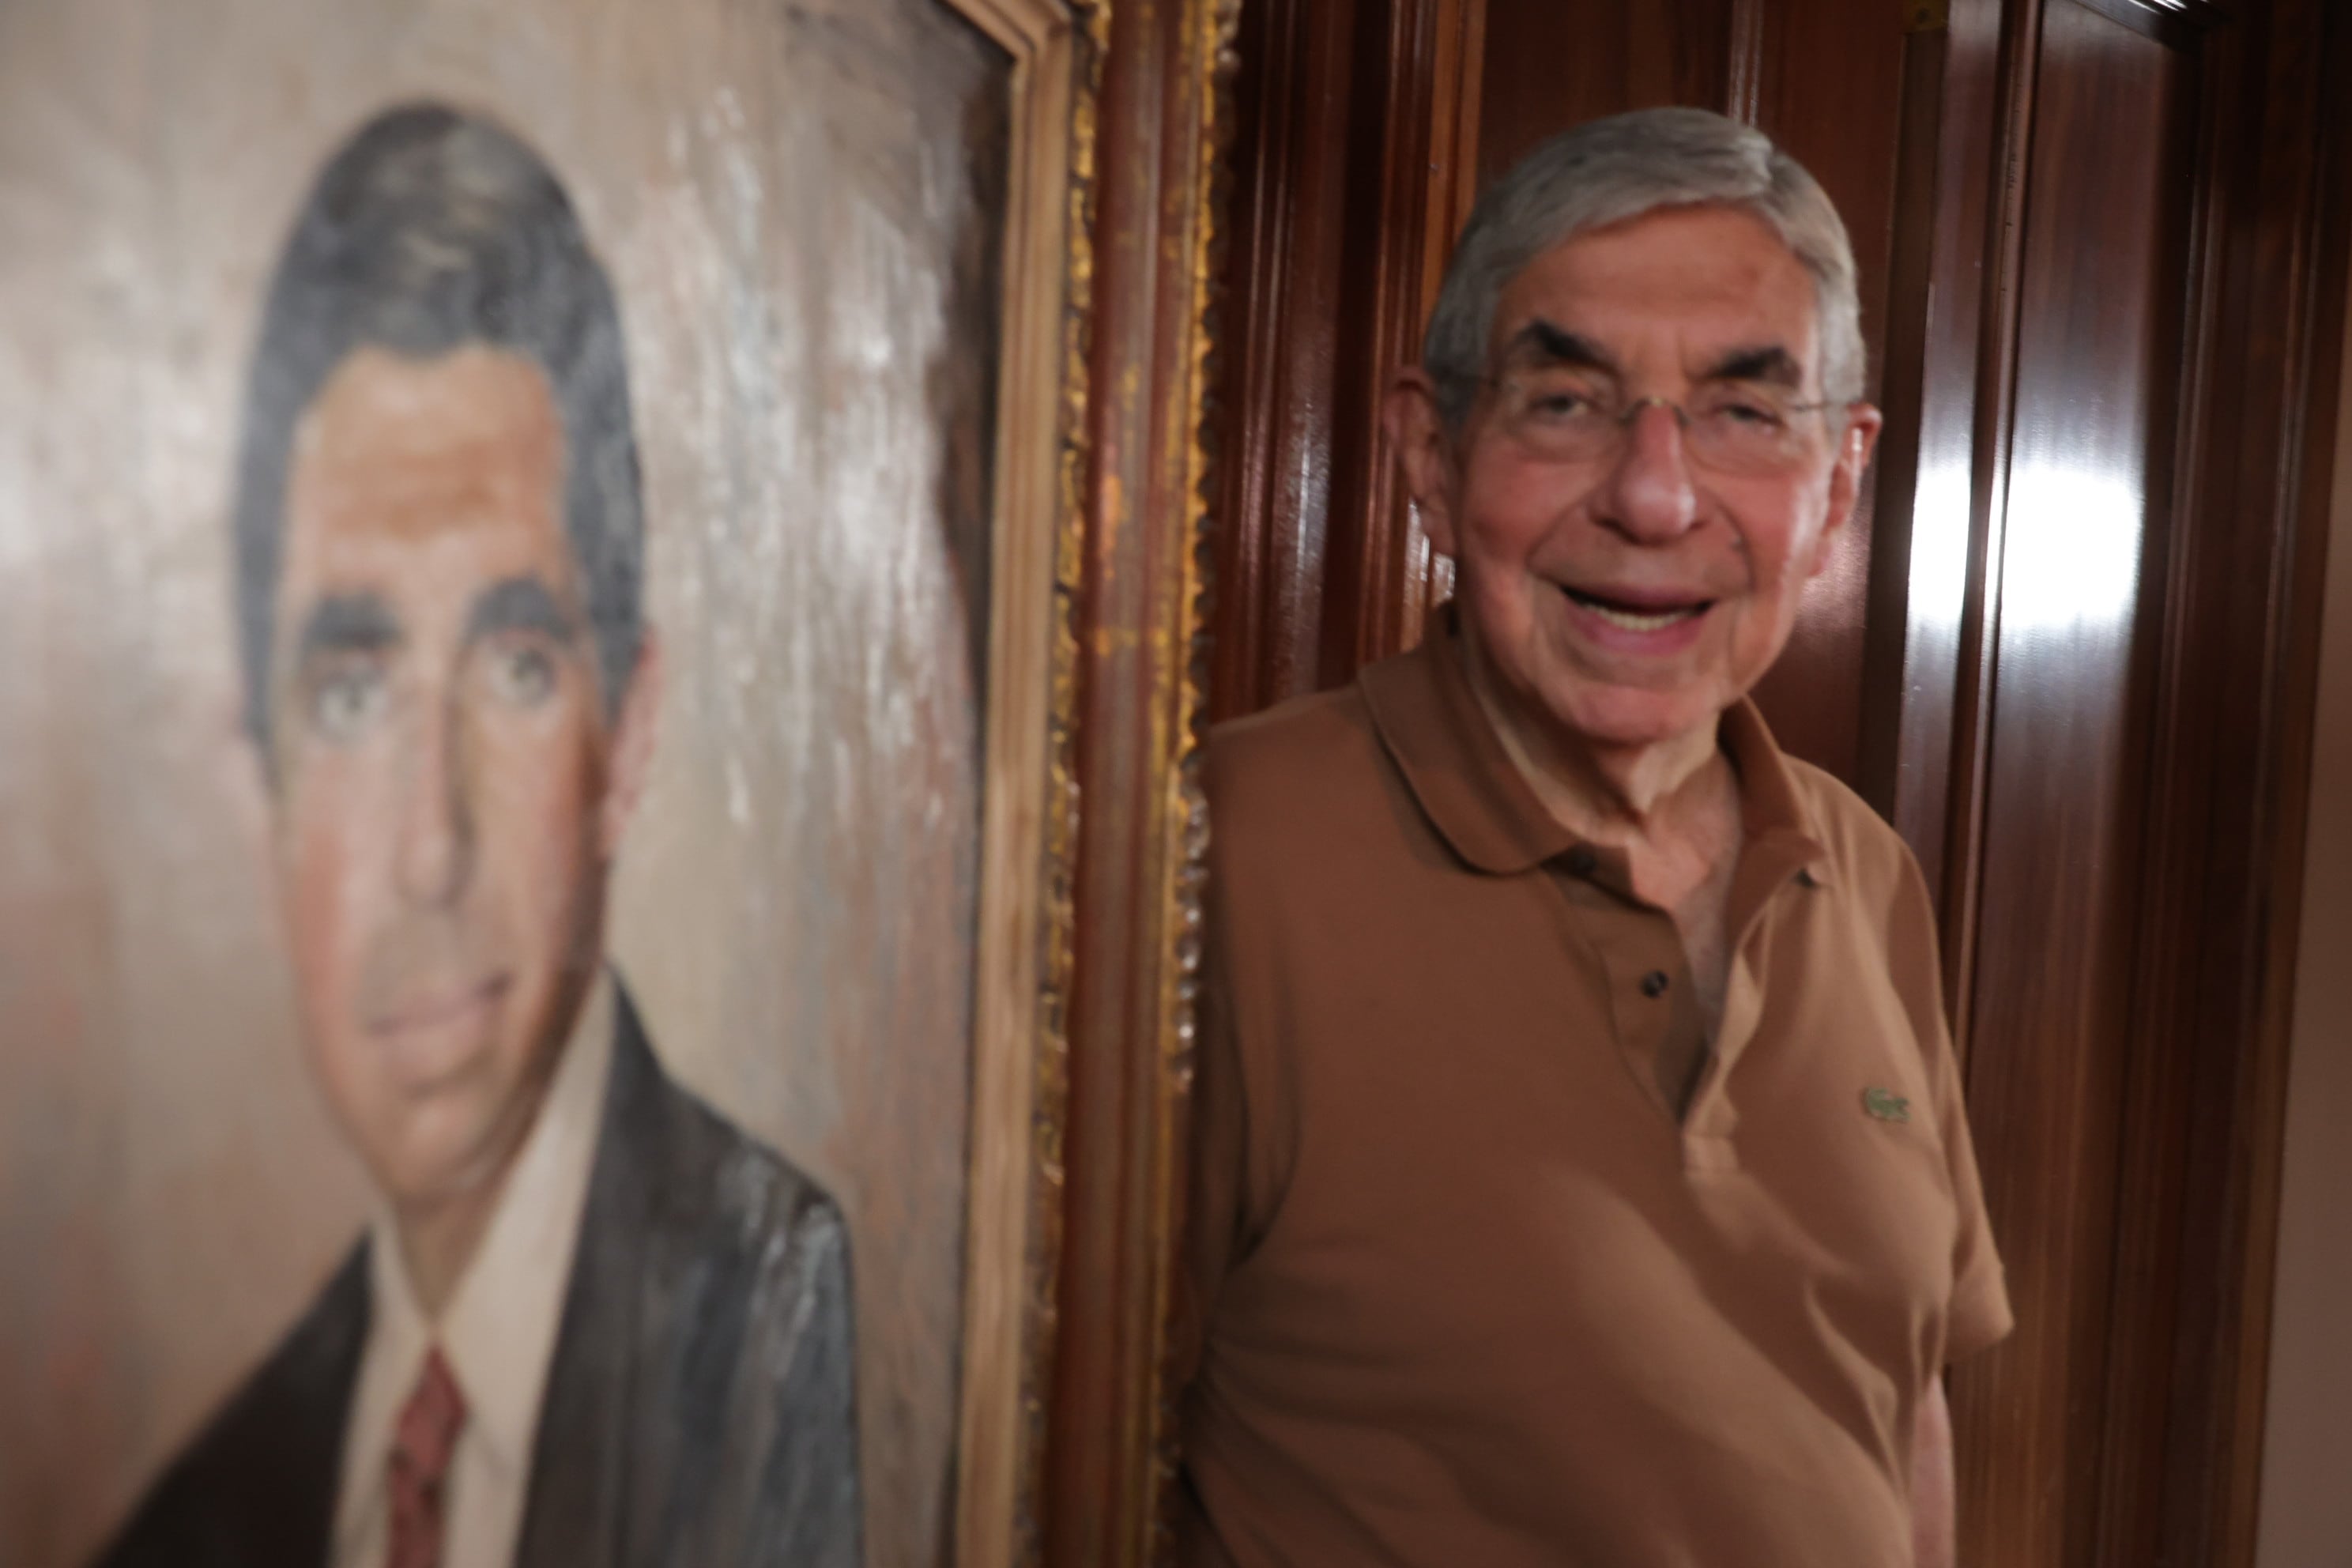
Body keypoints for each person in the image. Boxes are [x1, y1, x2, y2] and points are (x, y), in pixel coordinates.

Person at [1176, 106, 2011, 1567]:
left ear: (1838, 485)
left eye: (1744, 413)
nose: (1654, 496)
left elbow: (1901, 1408)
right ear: (1431, 457)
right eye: (1566, 402)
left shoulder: (1863, 867)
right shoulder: (1214, 853)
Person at [98, 103, 861, 1568]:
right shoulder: (205, 1516)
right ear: (259, 792)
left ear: (626, 737)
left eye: (516, 668)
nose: (431, 850)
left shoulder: (773, 1320)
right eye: (351, 694)